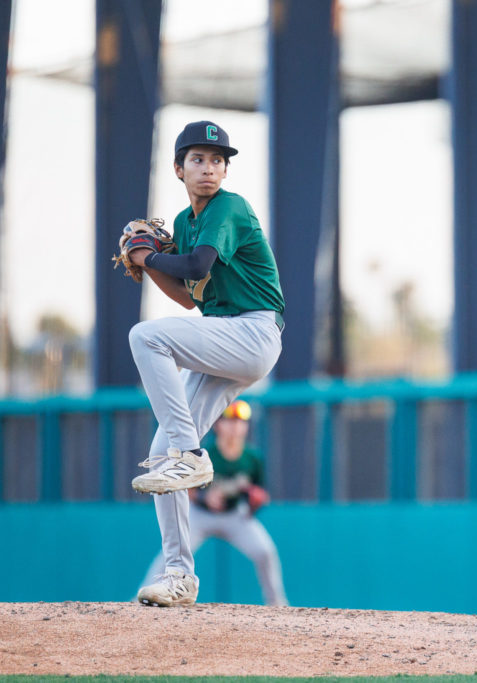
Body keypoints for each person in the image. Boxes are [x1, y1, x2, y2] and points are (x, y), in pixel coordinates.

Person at [124, 120, 285, 607]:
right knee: (160, 453)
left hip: (254, 331)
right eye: (198, 159)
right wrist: (148, 262)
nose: (210, 168)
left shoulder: (229, 207)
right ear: (178, 168)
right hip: (223, 335)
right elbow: (191, 298)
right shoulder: (187, 221)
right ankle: (179, 577)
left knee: (144, 335)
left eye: (218, 160)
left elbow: (194, 267)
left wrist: (147, 255)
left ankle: (193, 456)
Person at [139, 400, 289, 607]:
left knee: (265, 551)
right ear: (218, 425)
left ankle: (277, 603)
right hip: (200, 516)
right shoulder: (206, 453)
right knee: (172, 554)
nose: (236, 427)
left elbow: (260, 493)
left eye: (240, 422)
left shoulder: (252, 458)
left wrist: (257, 499)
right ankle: (142, 600)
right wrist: (204, 497)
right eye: (230, 421)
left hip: (235, 515)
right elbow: (186, 488)